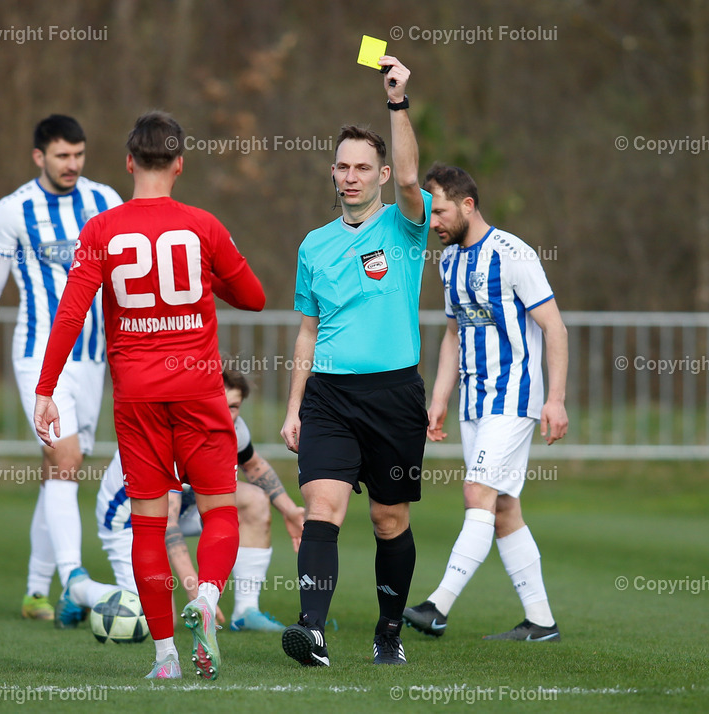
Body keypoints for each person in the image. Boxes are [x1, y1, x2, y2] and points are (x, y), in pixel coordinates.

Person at [33, 111, 265, 680]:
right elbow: (255, 298)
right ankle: (208, 598)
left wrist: (45, 388)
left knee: (147, 523)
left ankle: (164, 659)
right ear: (180, 164)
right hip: (199, 389)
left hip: (137, 393)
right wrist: (209, 274)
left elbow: (71, 312)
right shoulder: (204, 226)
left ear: (129, 162)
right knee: (219, 508)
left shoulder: (101, 230)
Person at [279, 55, 430, 667]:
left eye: (363, 167)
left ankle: (389, 631)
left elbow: (416, 180)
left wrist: (397, 102)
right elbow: (307, 330)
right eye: (342, 166)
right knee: (324, 506)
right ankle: (310, 630)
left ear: (382, 174)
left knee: (389, 520)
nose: (349, 176)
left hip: (393, 396)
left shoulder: (404, 225)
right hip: (329, 398)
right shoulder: (313, 244)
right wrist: (294, 405)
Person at [0, 115, 122, 622]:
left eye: (78, 154)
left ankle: (37, 592)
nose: (72, 164)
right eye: (62, 156)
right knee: (68, 460)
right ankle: (75, 579)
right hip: (38, 354)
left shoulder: (106, 201)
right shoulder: (11, 211)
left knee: (58, 470)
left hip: (94, 357)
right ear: (39, 157)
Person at [402, 164, 568, 642]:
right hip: (475, 403)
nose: (433, 221)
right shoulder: (449, 260)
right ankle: (541, 620)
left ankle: (438, 605)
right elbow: (454, 333)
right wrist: (438, 398)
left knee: (477, 493)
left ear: (468, 205)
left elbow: (554, 328)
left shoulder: (513, 254)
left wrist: (554, 400)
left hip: (514, 398)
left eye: (441, 211)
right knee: (503, 508)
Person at [84, 369, 305, 632]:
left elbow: (254, 466)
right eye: (220, 403)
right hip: (128, 521)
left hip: (183, 508)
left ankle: (246, 611)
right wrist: (195, 591)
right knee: (145, 617)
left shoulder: (233, 427)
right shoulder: (178, 431)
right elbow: (168, 524)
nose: (227, 413)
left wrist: (290, 510)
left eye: (234, 406)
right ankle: (78, 590)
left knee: (255, 500)